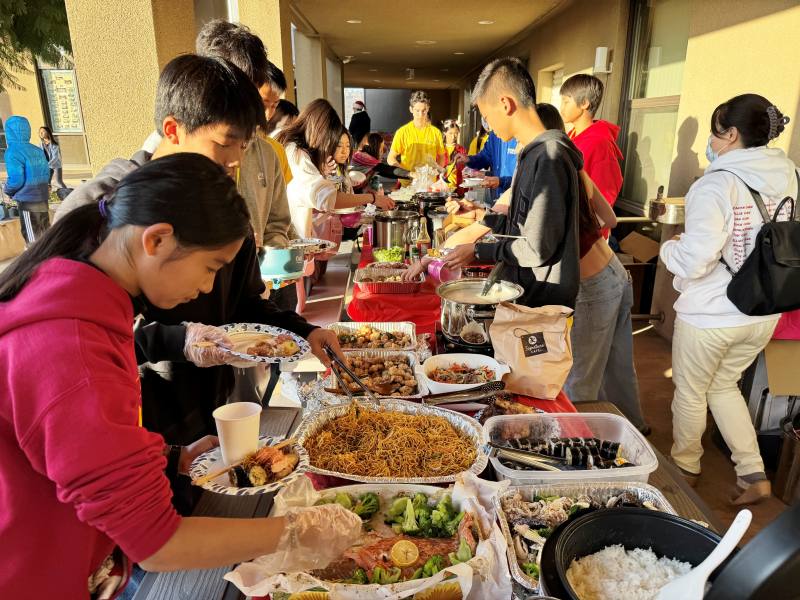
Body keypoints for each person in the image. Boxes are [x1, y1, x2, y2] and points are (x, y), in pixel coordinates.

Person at [0, 154, 362, 599]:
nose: (210, 289)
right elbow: (157, 544)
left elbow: (62, 448)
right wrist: (295, 532)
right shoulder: (71, 345)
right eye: (211, 268)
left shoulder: (79, 296)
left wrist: (170, 459)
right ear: (156, 240)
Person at [56, 54, 343, 449]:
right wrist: (178, 340)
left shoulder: (224, 206)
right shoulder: (106, 210)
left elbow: (245, 303)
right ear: (173, 129)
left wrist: (305, 331)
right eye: (225, 145)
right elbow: (81, 341)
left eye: (243, 147)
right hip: (141, 415)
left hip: (213, 405)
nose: (235, 162)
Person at [660, 94, 796, 505]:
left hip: (710, 314)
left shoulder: (716, 184)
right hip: (763, 309)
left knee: (690, 390)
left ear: (731, 133)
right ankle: (753, 472)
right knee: (724, 386)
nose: (711, 141)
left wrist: (670, 250)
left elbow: (696, 259)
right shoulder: (792, 175)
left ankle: (685, 467)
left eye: (715, 132)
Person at [536, 103, 648, 432]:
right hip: (613, 272)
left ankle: (582, 459)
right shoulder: (574, 166)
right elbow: (609, 219)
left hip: (592, 286)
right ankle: (633, 430)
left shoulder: (547, 168)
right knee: (616, 366)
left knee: (579, 379)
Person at [444, 58, 582, 311]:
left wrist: (479, 251)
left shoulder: (550, 157)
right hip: (527, 293)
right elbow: (519, 224)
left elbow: (536, 248)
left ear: (505, 104)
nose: (490, 128)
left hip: (542, 302)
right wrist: (482, 216)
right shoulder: (532, 155)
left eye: (486, 118)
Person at [196, 19, 297, 316]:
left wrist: (271, 263)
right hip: (198, 318)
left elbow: (277, 224)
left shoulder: (266, 152)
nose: (256, 111)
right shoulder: (171, 165)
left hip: (253, 297)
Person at [560, 74, 623, 209]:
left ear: (584, 103)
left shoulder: (601, 144)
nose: (562, 108)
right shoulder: (569, 137)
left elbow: (605, 196)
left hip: (582, 227)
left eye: (566, 102)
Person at [2, 116, 51, 245]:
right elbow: (47, 172)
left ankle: (37, 262)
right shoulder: (37, 150)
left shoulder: (12, 152)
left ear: (9, 132)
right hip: (42, 196)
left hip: (27, 199)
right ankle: (51, 258)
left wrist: (7, 190)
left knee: (31, 236)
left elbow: (16, 179)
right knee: (45, 230)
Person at [387, 90, 446, 178]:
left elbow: (441, 157)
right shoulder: (402, 132)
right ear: (411, 109)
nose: (420, 114)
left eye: (424, 110)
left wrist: (436, 171)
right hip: (407, 183)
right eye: (417, 110)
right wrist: (405, 172)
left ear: (428, 108)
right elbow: (390, 158)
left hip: (428, 183)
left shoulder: (435, 132)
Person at [454, 127, 518, 206]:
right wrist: (468, 160)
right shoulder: (494, 135)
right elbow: (484, 157)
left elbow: (525, 179)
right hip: (495, 198)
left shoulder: (520, 136)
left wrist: (501, 182)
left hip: (514, 199)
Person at [442, 118, 467, 191]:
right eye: (450, 133)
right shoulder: (439, 149)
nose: (453, 136)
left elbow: (465, 170)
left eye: (456, 133)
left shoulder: (461, 150)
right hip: (442, 188)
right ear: (444, 132)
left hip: (458, 188)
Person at [39, 125, 67, 189]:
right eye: (40, 132)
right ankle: (49, 195)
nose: (41, 133)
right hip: (47, 165)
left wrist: (47, 165)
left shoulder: (54, 144)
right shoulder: (41, 144)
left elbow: (55, 157)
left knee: (58, 182)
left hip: (56, 165)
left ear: (48, 133)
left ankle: (67, 193)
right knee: (47, 182)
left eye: (43, 131)